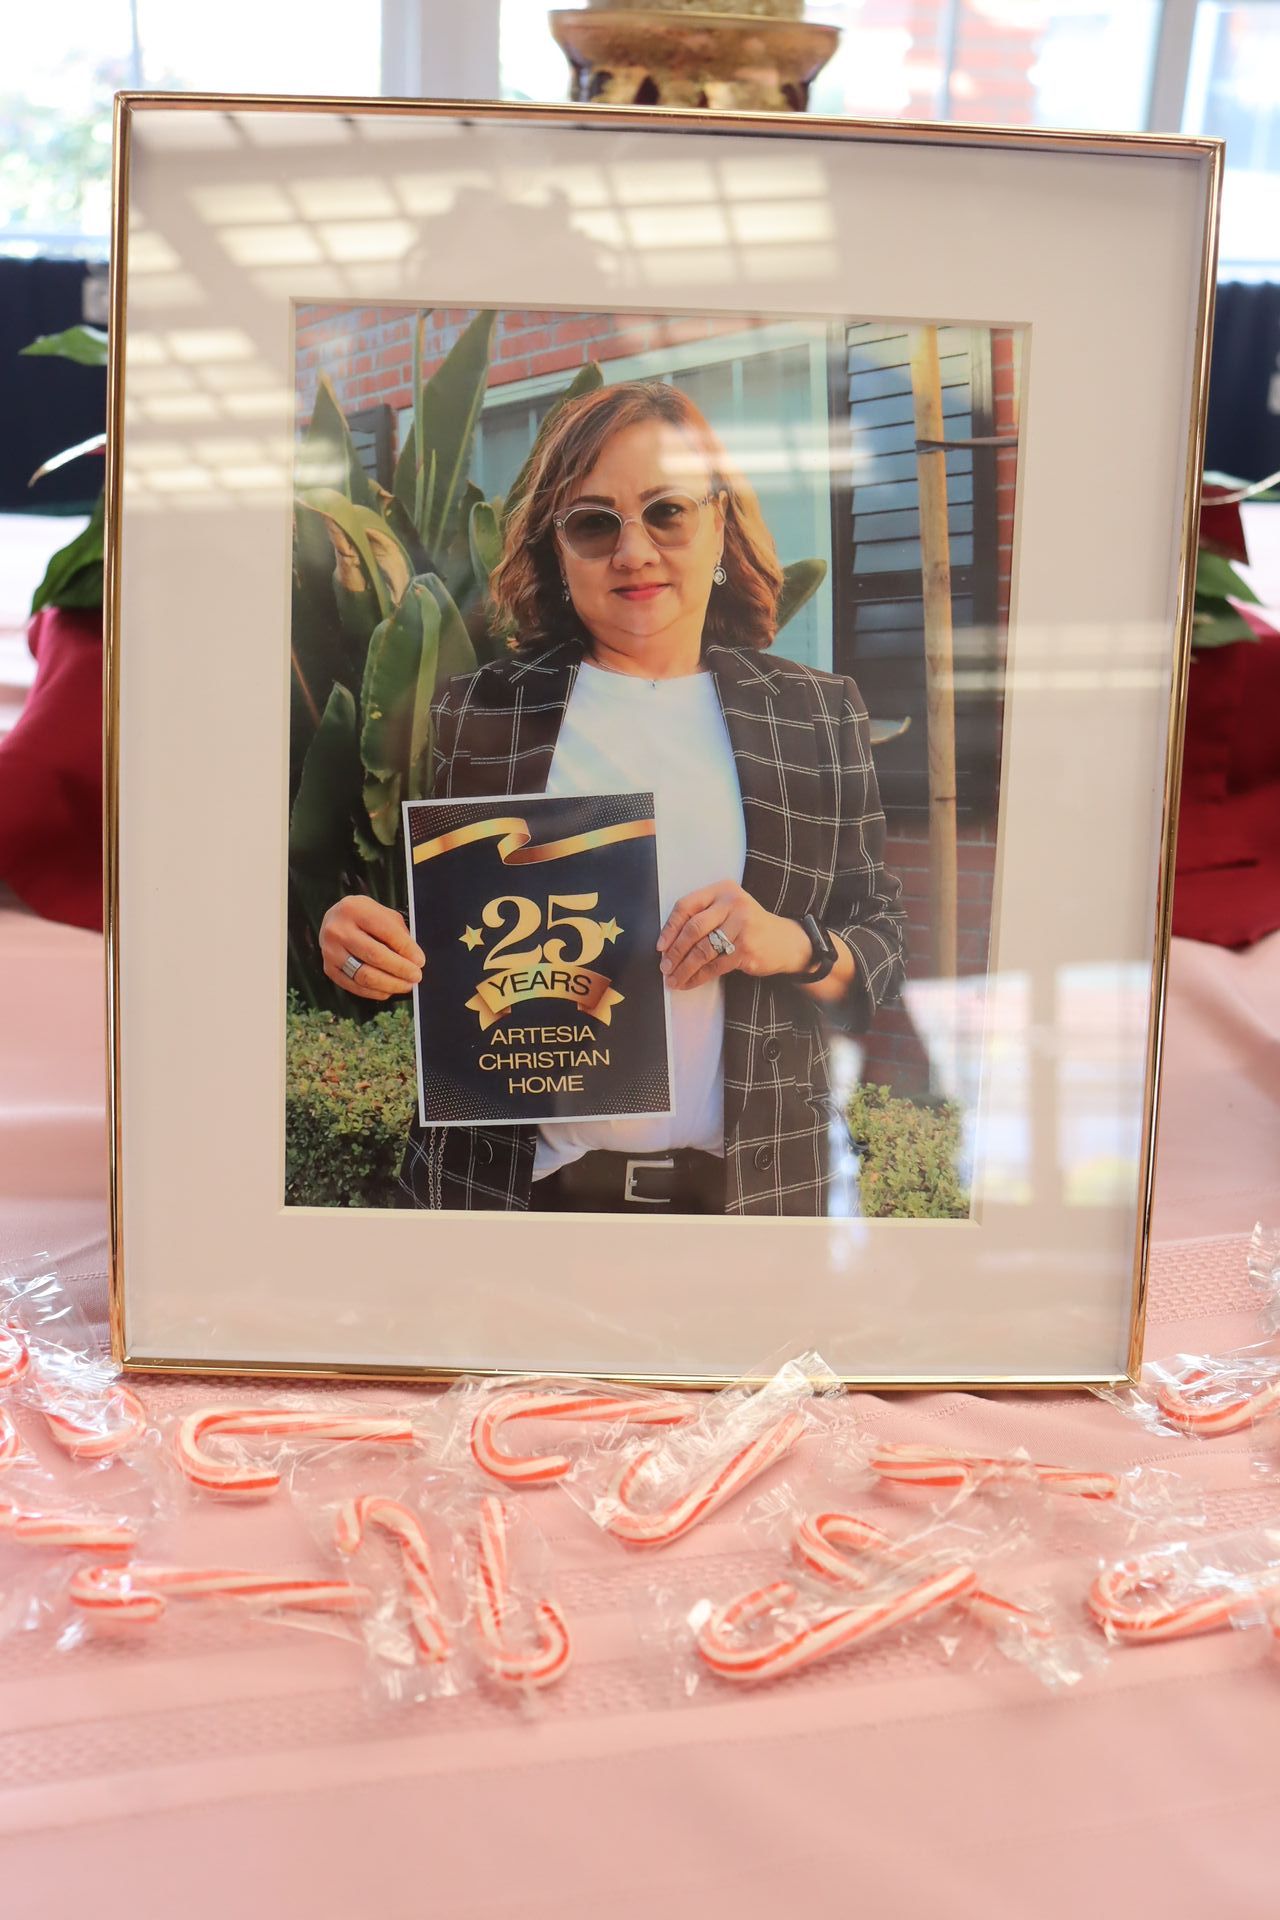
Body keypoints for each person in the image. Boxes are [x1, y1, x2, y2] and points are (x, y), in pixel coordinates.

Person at [319, 378, 905, 1215]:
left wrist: (786, 944)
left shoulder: (812, 715)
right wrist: (355, 943)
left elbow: (881, 939)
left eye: (666, 512)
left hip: (750, 1204)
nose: (632, 553)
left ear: (719, 525)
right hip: (514, 1198)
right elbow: (431, 941)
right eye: (595, 523)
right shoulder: (481, 712)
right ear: (558, 551)